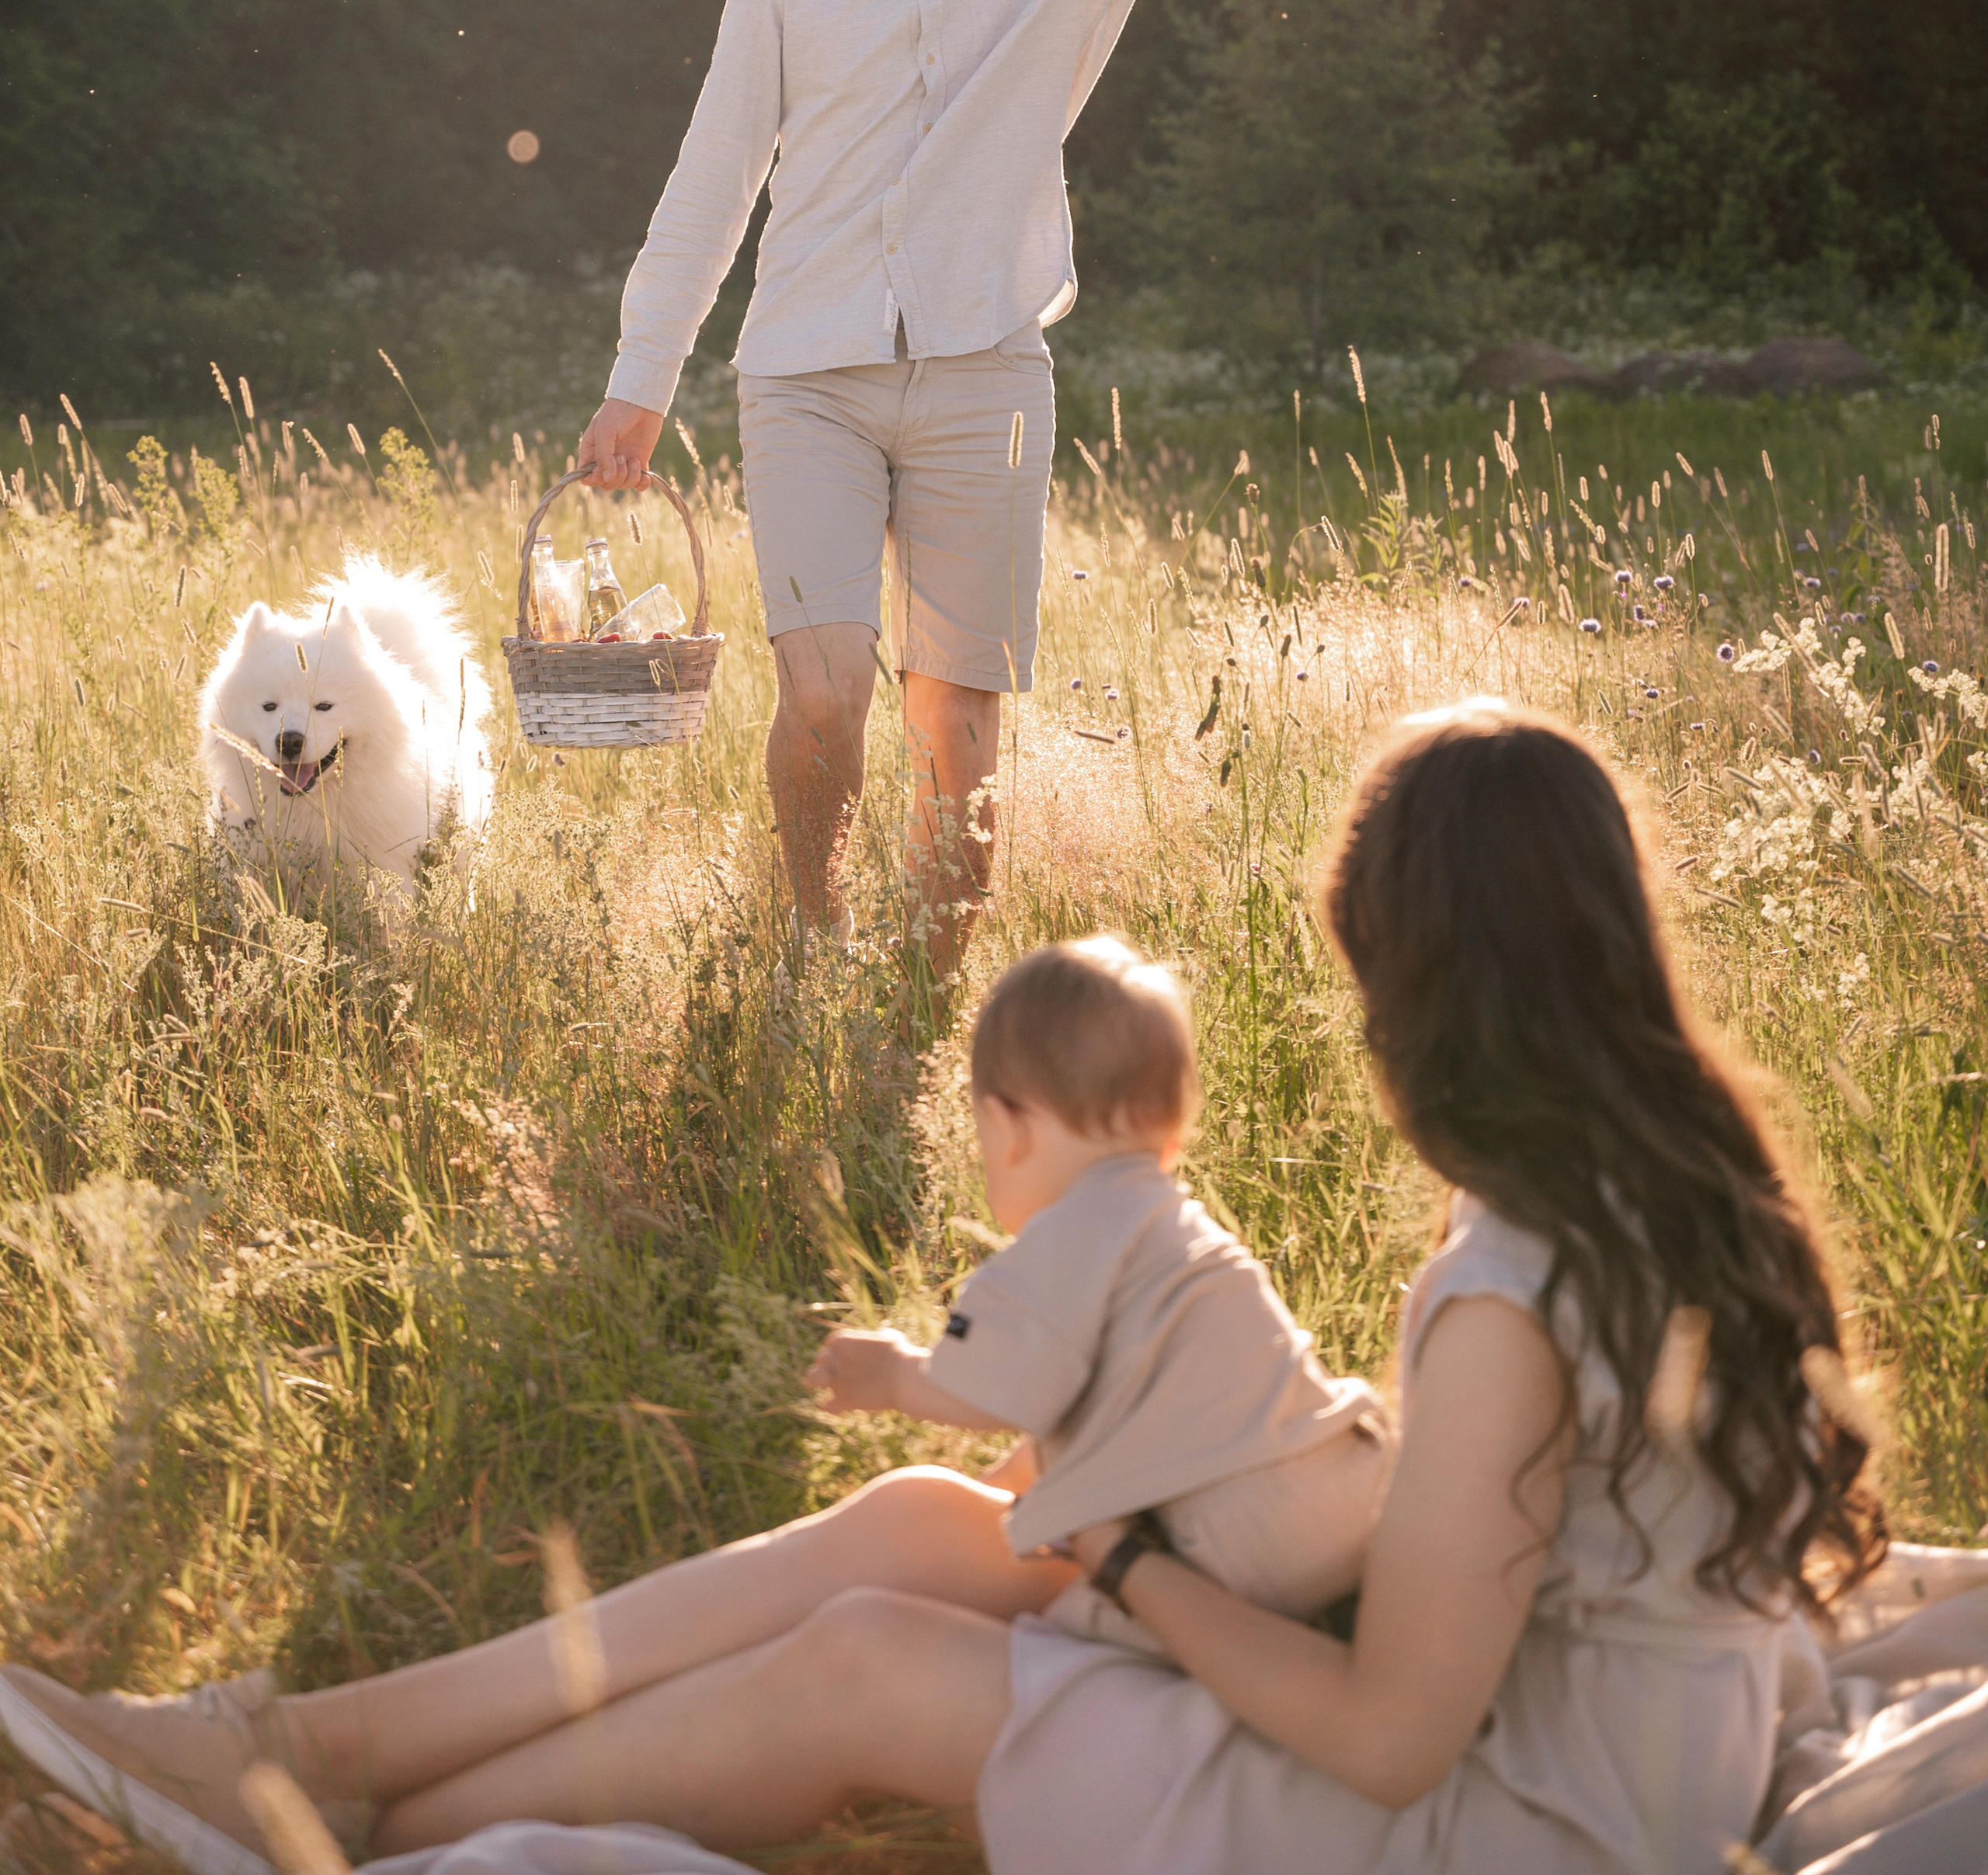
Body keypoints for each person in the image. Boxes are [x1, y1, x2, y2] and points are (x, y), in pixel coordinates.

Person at [0, 705, 1887, 1874]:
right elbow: (1538, 1532)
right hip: (1575, 1739)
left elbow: (1393, 1733)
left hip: (1505, 1824)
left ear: (1427, 987)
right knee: (926, 1508)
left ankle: (316, 1823)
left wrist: (1136, 1556)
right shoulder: (1679, 1181)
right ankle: (296, 1748)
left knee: (870, 1661)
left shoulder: (1508, 1281)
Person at [572, 0, 1276, 954]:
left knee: (956, 713)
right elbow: (715, 170)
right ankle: (813, 931)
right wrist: (644, 373)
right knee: (831, 689)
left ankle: (926, 980)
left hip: (986, 373)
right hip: (805, 373)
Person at [808, 933, 1392, 1654]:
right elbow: (1091, 1420)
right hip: (1346, 1498)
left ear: (1009, 1128)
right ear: (1172, 1142)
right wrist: (1004, 1489)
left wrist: (896, 1375)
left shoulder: (1067, 1236)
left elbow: (1000, 1389)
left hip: (1225, 1540)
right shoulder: (1170, 1228)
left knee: (1049, 1627)